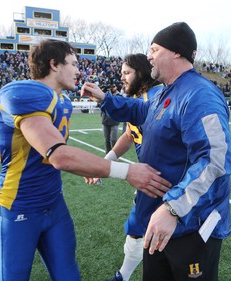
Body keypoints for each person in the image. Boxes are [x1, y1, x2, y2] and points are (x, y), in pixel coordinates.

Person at [0, 39, 171, 281]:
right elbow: (59, 155)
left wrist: (91, 164)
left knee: (69, 275)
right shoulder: (22, 92)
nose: (79, 70)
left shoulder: (63, 101)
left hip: (54, 203)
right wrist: (126, 172)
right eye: (74, 64)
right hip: (18, 207)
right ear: (54, 64)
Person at [82, 22, 231, 281]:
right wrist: (106, 99)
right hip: (159, 220)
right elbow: (139, 110)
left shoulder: (200, 95)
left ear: (176, 52)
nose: (149, 56)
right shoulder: (167, 92)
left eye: (154, 49)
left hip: (189, 225)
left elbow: (215, 160)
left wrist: (173, 208)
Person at [85, 53, 164, 281]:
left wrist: (104, 98)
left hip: (161, 178)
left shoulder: (156, 95)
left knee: (138, 228)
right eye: (121, 73)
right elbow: (130, 135)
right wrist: (107, 160)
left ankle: (124, 276)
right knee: (141, 228)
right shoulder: (140, 98)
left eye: (127, 73)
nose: (122, 78)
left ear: (141, 73)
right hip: (151, 175)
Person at [101, 83, 121, 153]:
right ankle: (108, 154)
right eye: (111, 87)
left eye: (114, 86)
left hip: (114, 120)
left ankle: (115, 153)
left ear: (116, 87)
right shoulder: (105, 95)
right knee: (106, 139)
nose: (112, 88)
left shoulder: (119, 96)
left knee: (113, 139)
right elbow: (101, 104)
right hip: (105, 119)